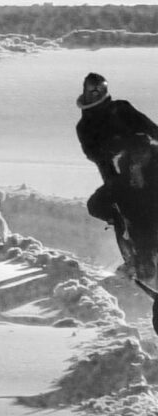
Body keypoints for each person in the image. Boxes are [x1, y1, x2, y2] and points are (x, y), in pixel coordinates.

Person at [76, 72, 158, 285]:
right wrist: (119, 147)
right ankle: (137, 259)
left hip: (149, 167)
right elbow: (93, 153)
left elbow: (151, 128)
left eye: (100, 89)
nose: (96, 94)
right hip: (118, 177)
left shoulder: (121, 108)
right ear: (84, 91)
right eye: (91, 90)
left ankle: (144, 257)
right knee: (105, 207)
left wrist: (143, 144)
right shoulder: (85, 125)